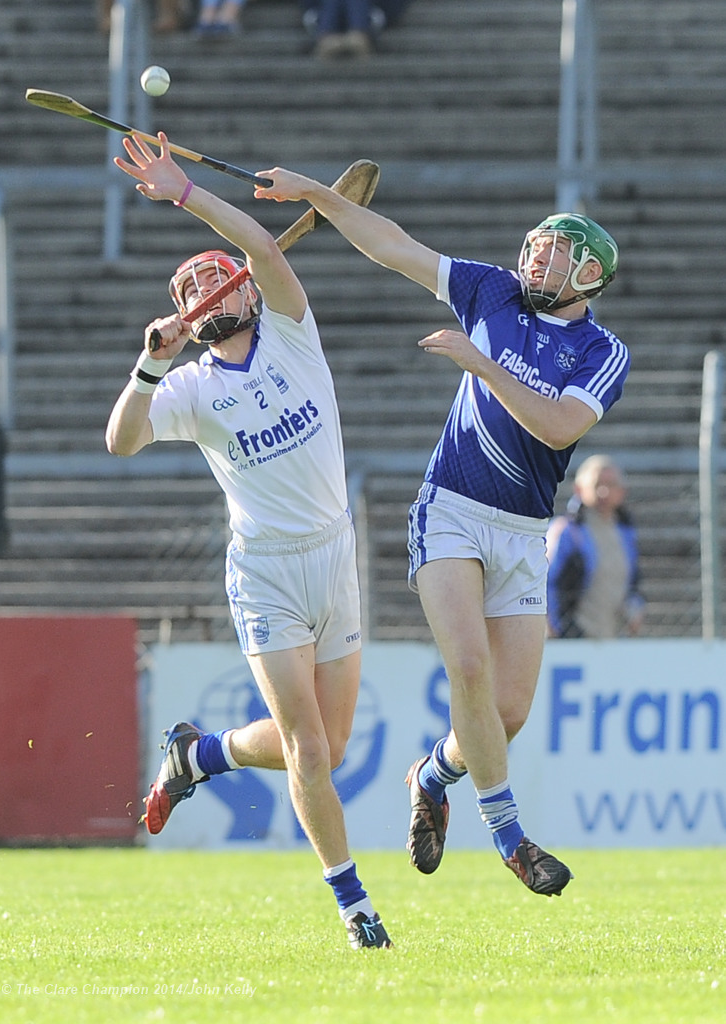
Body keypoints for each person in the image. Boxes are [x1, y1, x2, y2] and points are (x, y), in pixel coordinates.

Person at [253, 171, 630, 897]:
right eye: (534, 247)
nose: (534, 260)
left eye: (553, 253)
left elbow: (557, 426)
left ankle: (431, 777)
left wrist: (479, 364)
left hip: (523, 530)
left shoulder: (601, 351)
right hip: (451, 508)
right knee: (470, 670)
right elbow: (394, 246)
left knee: (508, 712)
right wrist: (320, 197)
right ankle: (513, 840)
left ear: (589, 273)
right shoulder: (490, 292)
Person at [105, 132, 391, 951]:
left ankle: (199, 758)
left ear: (248, 295)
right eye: (192, 290)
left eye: (216, 278)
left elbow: (262, 243)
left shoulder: (295, 330)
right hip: (264, 572)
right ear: (189, 322)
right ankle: (355, 907)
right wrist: (146, 368)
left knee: (329, 749)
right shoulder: (190, 388)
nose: (207, 291)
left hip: (334, 557)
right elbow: (121, 442)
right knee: (306, 745)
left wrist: (184, 192)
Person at [546, 454, 644, 638]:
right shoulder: (567, 531)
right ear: (579, 489)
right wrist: (560, 629)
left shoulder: (625, 532)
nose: (604, 492)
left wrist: (635, 607)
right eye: (597, 484)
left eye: (611, 484)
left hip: (612, 633)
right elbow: (550, 583)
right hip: (575, 635)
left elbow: (633, 580)